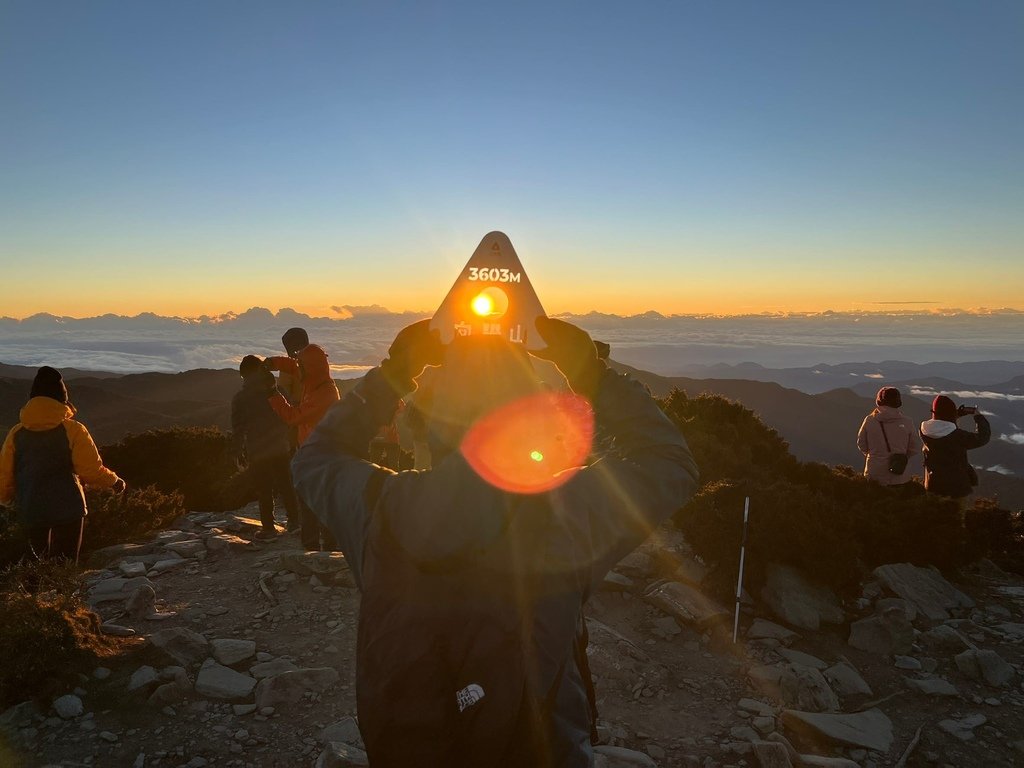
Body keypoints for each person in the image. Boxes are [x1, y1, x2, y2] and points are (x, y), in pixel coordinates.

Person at [291, 318, 699, 767]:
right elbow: (669, 462)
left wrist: (394, 374)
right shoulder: (567, 510)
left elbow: (315, 458)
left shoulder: (375, 509)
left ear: (424, 427)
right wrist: (592, 375)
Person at [0, 366, 125, 563]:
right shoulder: (73, 429)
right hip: (68, 507)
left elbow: (4, 473)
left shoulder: (16, 433)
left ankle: (35, 593)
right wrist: (114, 481)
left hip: (31, 507)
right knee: (64, 564)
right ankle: (62, 593)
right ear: (62, 397)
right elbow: (89, 470)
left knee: (34, 565)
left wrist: (5, 499)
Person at [265, 327, 340, 550]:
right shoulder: (315, 378)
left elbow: (293, 417)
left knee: (314, 500)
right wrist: (273, 362)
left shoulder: (323, 394)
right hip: (313, 449)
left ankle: (322, 547)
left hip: (319, 453)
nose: (298, 367)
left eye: (301, 364)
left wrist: (273, 395)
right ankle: (321, 545)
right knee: (314, 498)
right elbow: (294, 367)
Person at [231, 355, 300, 538]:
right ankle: (295, 521)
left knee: (264, 488)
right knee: (286, 484)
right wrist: (292, 441)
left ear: (244, 375)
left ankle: (268, 528)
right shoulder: (278, 391)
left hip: (257, 449)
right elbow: (290, 416)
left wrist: (237, 451)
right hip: (281, 445)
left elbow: (238, 428)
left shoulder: (241, 398)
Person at [920, 394, 991, 505]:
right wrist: (978, 417)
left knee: (934, 518)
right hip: (956, 488)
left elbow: (942, 426)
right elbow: (982, 438)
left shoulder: (924, 431)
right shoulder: (958, 436)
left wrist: (956, 416)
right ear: (951, 414)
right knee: (956, 519)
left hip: (933, 484)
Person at [856, 386, 920, 486]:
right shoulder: (907, 422)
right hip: (899, 475)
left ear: (879, 401)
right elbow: (914, 447)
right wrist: (902, 456)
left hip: (874, 474)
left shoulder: (869, 420)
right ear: (898, 402)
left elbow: (861, 443)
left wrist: (875, 456)